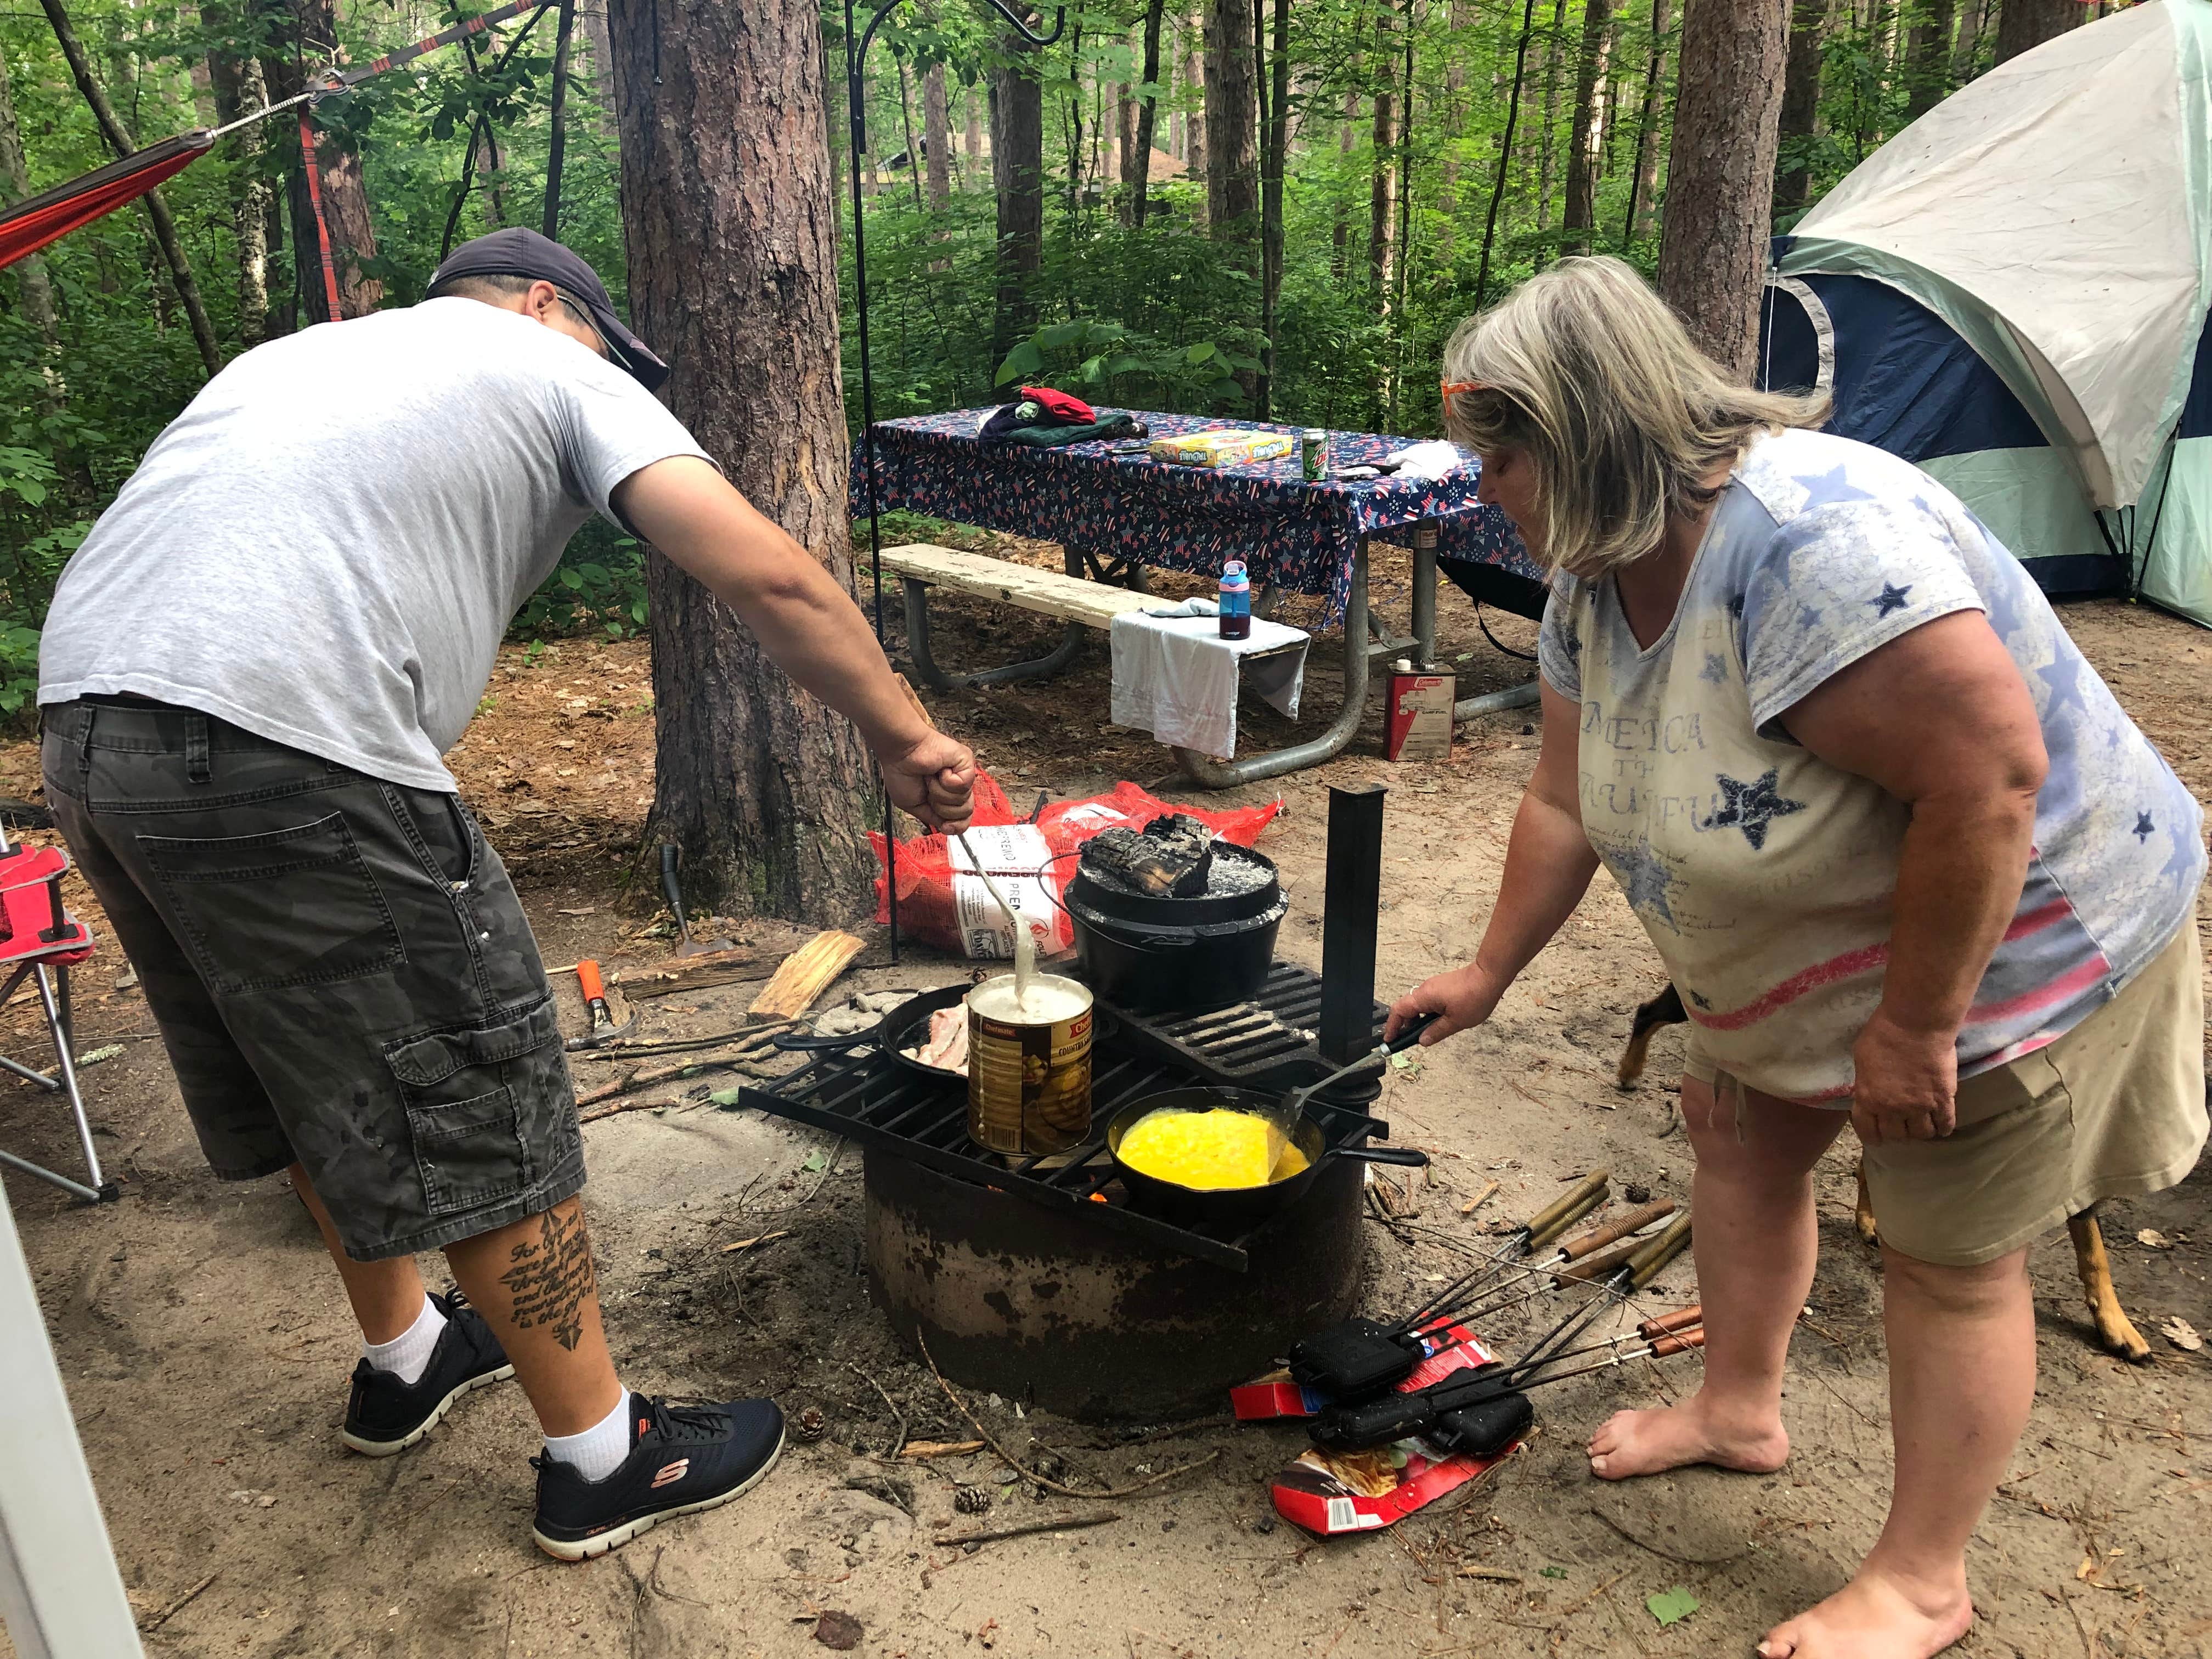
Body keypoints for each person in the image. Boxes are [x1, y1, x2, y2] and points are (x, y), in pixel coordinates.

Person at [36, 228, 976, 1561]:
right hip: (282, 734)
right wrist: (903, 736)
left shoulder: (301, 359)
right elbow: (767, 570)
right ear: (545, 303)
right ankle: (603, 1458)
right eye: (607, 344)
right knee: (484, 1080)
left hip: (88, 730)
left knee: (296, 1054)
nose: (616, 372)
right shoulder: (548, 364)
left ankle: (409, 1354)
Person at [1387, 257, 2206, 1659]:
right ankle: (1736, 1409)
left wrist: (1915, 1031)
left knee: (1949, 1255)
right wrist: (1490, 972)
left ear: (1586, 439)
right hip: (1814, 947)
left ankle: (1925, 1583)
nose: (1485, 486)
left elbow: (1989, 787)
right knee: (1742, 1148)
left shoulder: (1813, 550)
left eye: (1500, 456)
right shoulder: (1594, 567)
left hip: (2003, 943)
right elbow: (1563, 799)